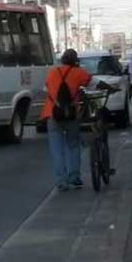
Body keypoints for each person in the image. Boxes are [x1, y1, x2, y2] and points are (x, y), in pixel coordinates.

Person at [41, 49, 92, 191]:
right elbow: (91, 82)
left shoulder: (52, 72)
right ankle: (74, 178)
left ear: (62, 59)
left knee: (56, 150)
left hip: (52, 113)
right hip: (71, 114)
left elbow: (46, 88)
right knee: (73, 146)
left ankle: (61, 182)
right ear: (75, 61)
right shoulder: (78, 72)